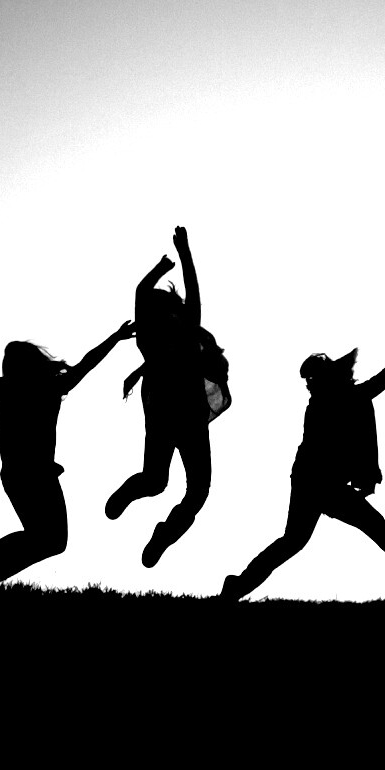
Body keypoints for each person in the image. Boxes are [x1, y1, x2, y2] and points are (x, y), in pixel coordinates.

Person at [220, 330, 385, 601]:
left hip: (313, 480)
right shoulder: (337, 400)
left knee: (295, 541)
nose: (309, 384)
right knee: (371, 528)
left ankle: (237, 586)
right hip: (321, 483)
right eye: (308, 380)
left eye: (312, 378)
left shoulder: (336, 399)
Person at [0, 310, 136, 589]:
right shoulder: (48, 388)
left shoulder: (2, 390)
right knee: (51, 540)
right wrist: (115, 338)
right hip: (37, 475)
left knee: (43, 539)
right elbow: (86, 364)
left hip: (17, 476)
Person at [105, 226, 224, 567]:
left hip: (169, 414)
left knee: (159, 482)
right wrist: (182, 254)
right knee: (193, 490)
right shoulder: (179, 335)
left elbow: (144, 292)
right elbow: (186, 295)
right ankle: (162, 530)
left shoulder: (153, 340)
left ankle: (149, 514)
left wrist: (163, 267)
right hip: (184, 416)